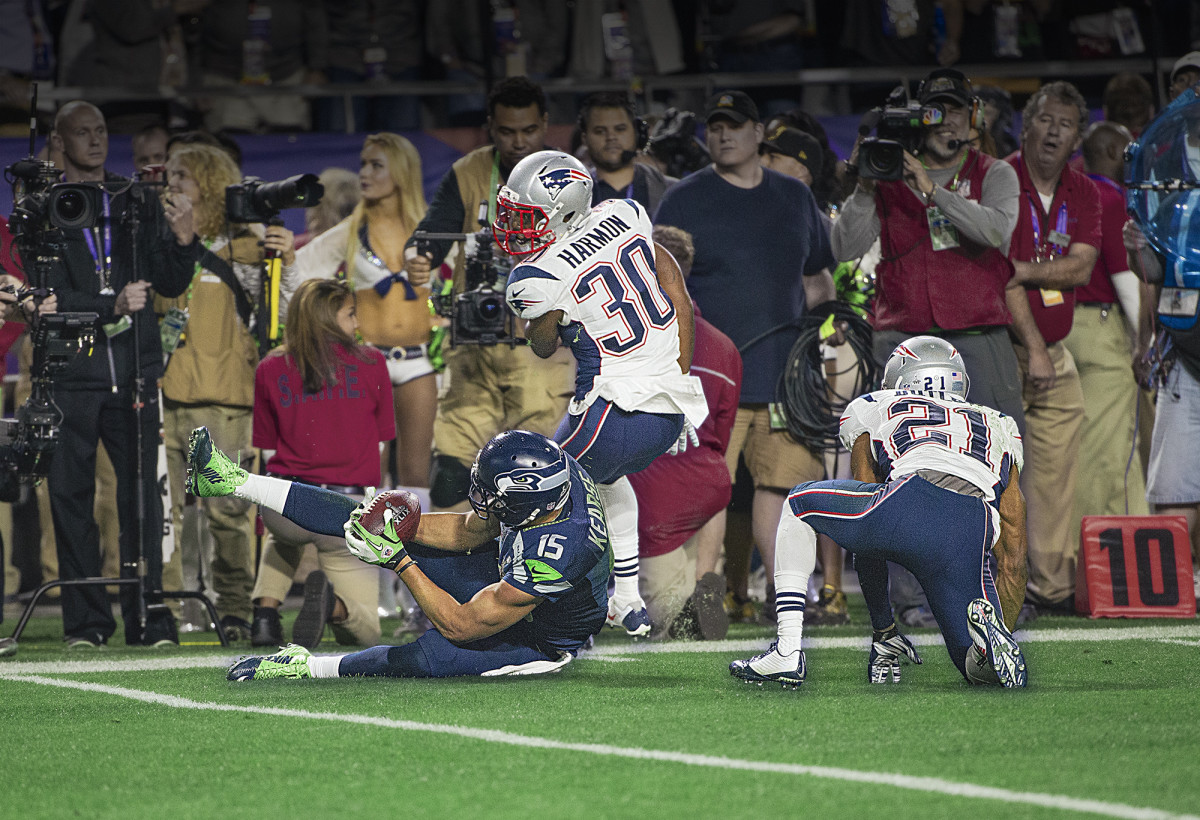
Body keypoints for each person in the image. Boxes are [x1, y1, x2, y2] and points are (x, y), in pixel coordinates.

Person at [830, 67, 1023, 628]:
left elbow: (995, 233)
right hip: (906, 346)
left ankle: (1001, 593)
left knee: (999, 465)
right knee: (900, 470)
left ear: (974, 117)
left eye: (956, 110)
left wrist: (932, 189)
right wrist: (867, 182)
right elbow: (845, 245)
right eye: (933, 111)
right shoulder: (886, 174)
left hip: (980, 340)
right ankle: (911, 600)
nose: (946, 121)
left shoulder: (996, 172)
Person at [187, 427, 610, 680]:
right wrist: (398, 527)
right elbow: (468, 532)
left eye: (492, 495)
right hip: (515, 574)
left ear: (528, 504)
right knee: (375, 521)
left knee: (429, 657)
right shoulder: (553, 474)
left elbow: (461, 626)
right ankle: (233, 481)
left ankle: (304, 667)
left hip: (540, 634)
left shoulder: (559, 551)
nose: (480, 498)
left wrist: (397, 560)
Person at [731, 336, 1029, 689]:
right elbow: (1013, 559)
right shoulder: (999, 424)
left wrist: (883, 627)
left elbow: (867, 519)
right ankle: (989, 650)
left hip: (910, 500)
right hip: (971, 525)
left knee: (798, 504)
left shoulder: (877, 404)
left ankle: (787, 652)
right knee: (976, 671)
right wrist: (1005, 628)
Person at [492, 150, 708, 636]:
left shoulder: (537, 277)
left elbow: (543, 344)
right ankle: (627, 602)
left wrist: (556, 317)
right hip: (666, 406)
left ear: (563, 210)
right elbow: (676, 294)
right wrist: (674, 380)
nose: (515, 227)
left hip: (611, 408)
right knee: (607, 484)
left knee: (524, 495)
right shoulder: (625, 214)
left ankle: (537, 611)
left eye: (526, 217)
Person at [654, 89, 840, 625]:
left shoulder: (794, 197)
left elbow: (817, 276)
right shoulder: (684, 199)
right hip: (709, 377)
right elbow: (658, 282)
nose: (723, 134)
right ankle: (702, 600)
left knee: (782, 489)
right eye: (714, 126)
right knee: (710, 491)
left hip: (785, 374)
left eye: (735, 125)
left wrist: (824, 331)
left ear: (760, 134)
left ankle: (787, 600)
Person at [44, 100, 195, 648]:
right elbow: (43, 297)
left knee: (142, 501)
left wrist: (184, 240)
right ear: (59, 143)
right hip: (69, 376)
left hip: (133, 371)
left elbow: (169, 283)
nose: (95, 140)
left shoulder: (135, 200)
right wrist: (110, 305)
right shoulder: (44, 205)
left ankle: (150, 617)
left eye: (102, 130)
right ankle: (87, 624)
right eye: (81, 132)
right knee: (71, 500)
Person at [402, 77, 574, 513]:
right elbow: (431, 236)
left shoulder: (568, 175)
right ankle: (454, 580)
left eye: (529, 130)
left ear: (545, 125)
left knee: (535, 479)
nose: (518, 141)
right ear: (490, 128)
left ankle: (525, 576)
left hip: (541, 351)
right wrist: (418, 257)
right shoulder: (469, 171)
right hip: (473, 349)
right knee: (453, 479)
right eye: (506, 131)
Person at [156, 141, 298, 641]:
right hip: (166, 394)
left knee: (229, 512)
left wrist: (286, 262)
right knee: (166, 515)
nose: (171, 186)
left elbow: (277, 317)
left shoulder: (248, 246)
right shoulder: (160, 242)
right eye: (169, 176)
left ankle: (235, 609)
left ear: (212, 187)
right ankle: (168, 610)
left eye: (183, 177)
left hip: (226, 399)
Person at [249, 278, 395, 648]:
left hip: (285, 511)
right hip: (342, 515)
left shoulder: (269, 367)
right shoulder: (373, 361)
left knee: (282, 523)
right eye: (350, 315)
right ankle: (334, 608)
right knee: (366, 633)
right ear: (328, 318)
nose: (357, 324)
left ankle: (265, 615)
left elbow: (266, 453)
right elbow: (381, 442)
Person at [1003, 81, 1100, 614]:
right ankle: (997, 580)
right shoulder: (1000, 178)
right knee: (995, 470)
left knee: (1056, 475)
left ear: (1077, 137)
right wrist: (1034, 350)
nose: (1055, 130)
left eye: (1066, 123)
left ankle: (1050, 586)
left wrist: (1025, 270)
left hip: (1056, 351)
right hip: (1004, 348)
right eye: (1046, 119)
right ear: (1026, 124)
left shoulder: (1083, 191)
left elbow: (1082, 266)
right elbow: (999, 276)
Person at [296, 133, 433, 492]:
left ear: (401, 173)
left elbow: (465, 273)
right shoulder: (351, 231)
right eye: (363, 165)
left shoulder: (428, 228)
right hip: (368, 362)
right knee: (368, 471)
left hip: (420, 362)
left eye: (376, 166)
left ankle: (417, 548)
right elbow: (300, 273)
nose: (364, 174)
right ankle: (365, 547)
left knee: (417, 476)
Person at [626, 225, 742, 640]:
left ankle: (684, 609)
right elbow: (721, 440)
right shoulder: (726, 347)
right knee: (712, 475)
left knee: (672, 627)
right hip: (708, 486)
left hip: (654, 493)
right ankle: (707, 582)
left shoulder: (628, 340)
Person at [1063, 122, 1148, 535]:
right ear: (1116, 152)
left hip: (1062, 326)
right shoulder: (1110, 196)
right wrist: (1148, 342)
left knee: (1078, 448)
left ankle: (1077, 555)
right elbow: (1126, 279)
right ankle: (1117, 559)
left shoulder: (1070, 190)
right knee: (1113, 451)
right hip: (1101, 329)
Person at [577, 91, 675, 214]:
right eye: (600, 131)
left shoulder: (673, 191)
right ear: (584, 139)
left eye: (620, 129)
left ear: (636, 133)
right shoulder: (571, 197)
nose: (611, 137)